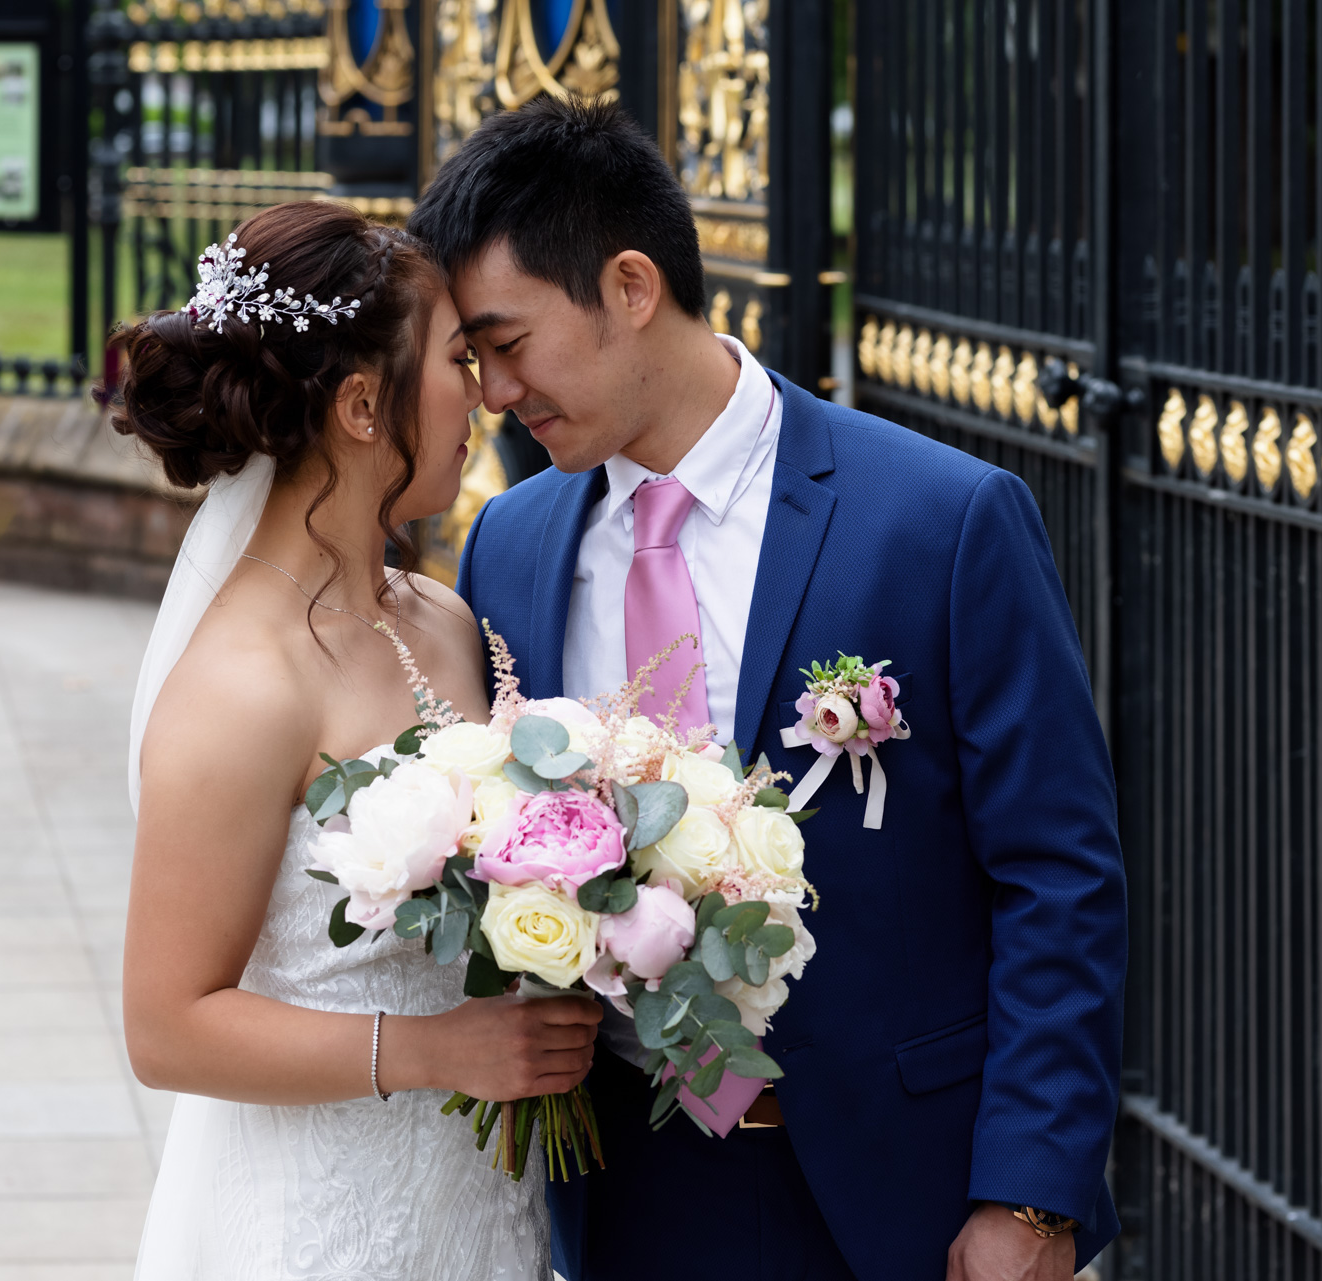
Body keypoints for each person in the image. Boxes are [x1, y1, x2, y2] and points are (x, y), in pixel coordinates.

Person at [409, 98, 1126, 1281]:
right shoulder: (512, 545)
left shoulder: (941, 522)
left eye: (507, 341)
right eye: (473, 359)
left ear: (631, 286)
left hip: (895, 1190)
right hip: (619, 1186)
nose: (492, 392)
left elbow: (1059, 874)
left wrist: (1032, 1198)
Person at [116, 201, 601, 1280]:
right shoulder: (242, 684)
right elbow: (166, 1026)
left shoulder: (442, 618)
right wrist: (438, 1052)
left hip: (479, 1200)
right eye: (454, 359)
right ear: (361, 406)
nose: (483, 394)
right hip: (321, 1217)